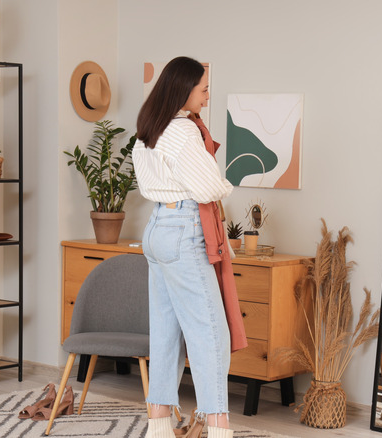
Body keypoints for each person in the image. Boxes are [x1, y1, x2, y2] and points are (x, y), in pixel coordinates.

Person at [133, 56, 235, 438]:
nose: (208, 96)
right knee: (211, 333)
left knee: (166, 331)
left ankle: (158, 425)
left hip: (159, 225)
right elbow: (210, 187)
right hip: (185, 227)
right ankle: (218, 426)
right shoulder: (183, 130)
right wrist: (224, 186)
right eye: (204, 89)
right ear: (184, 89)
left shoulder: (150, 126)